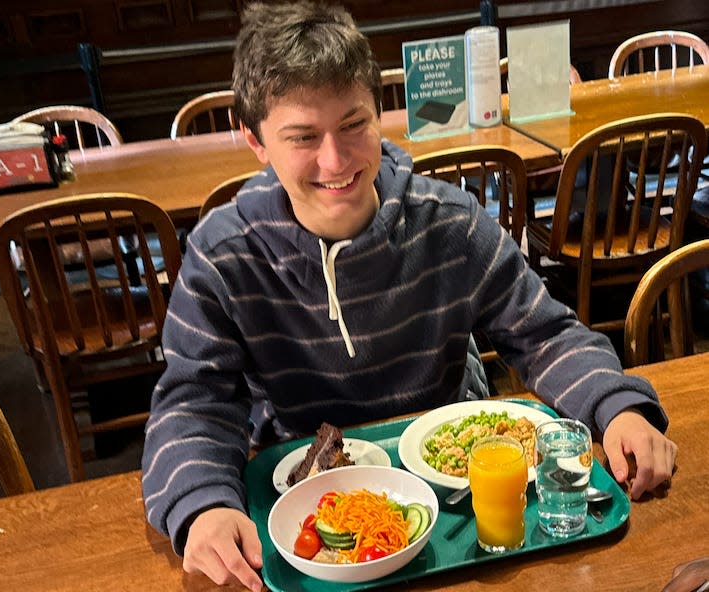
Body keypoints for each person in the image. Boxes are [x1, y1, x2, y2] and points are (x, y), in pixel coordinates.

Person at [141, 2, 677, 590]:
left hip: (458, 508)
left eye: (353, 125)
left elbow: (544, 333)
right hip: (304, 511)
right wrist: (202, 505)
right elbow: (193, 400)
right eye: (302, 137)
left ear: (380, 115)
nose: (335, 160)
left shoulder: (449, 223)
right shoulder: (222, 254)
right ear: (255, 141)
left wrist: (616, 405)